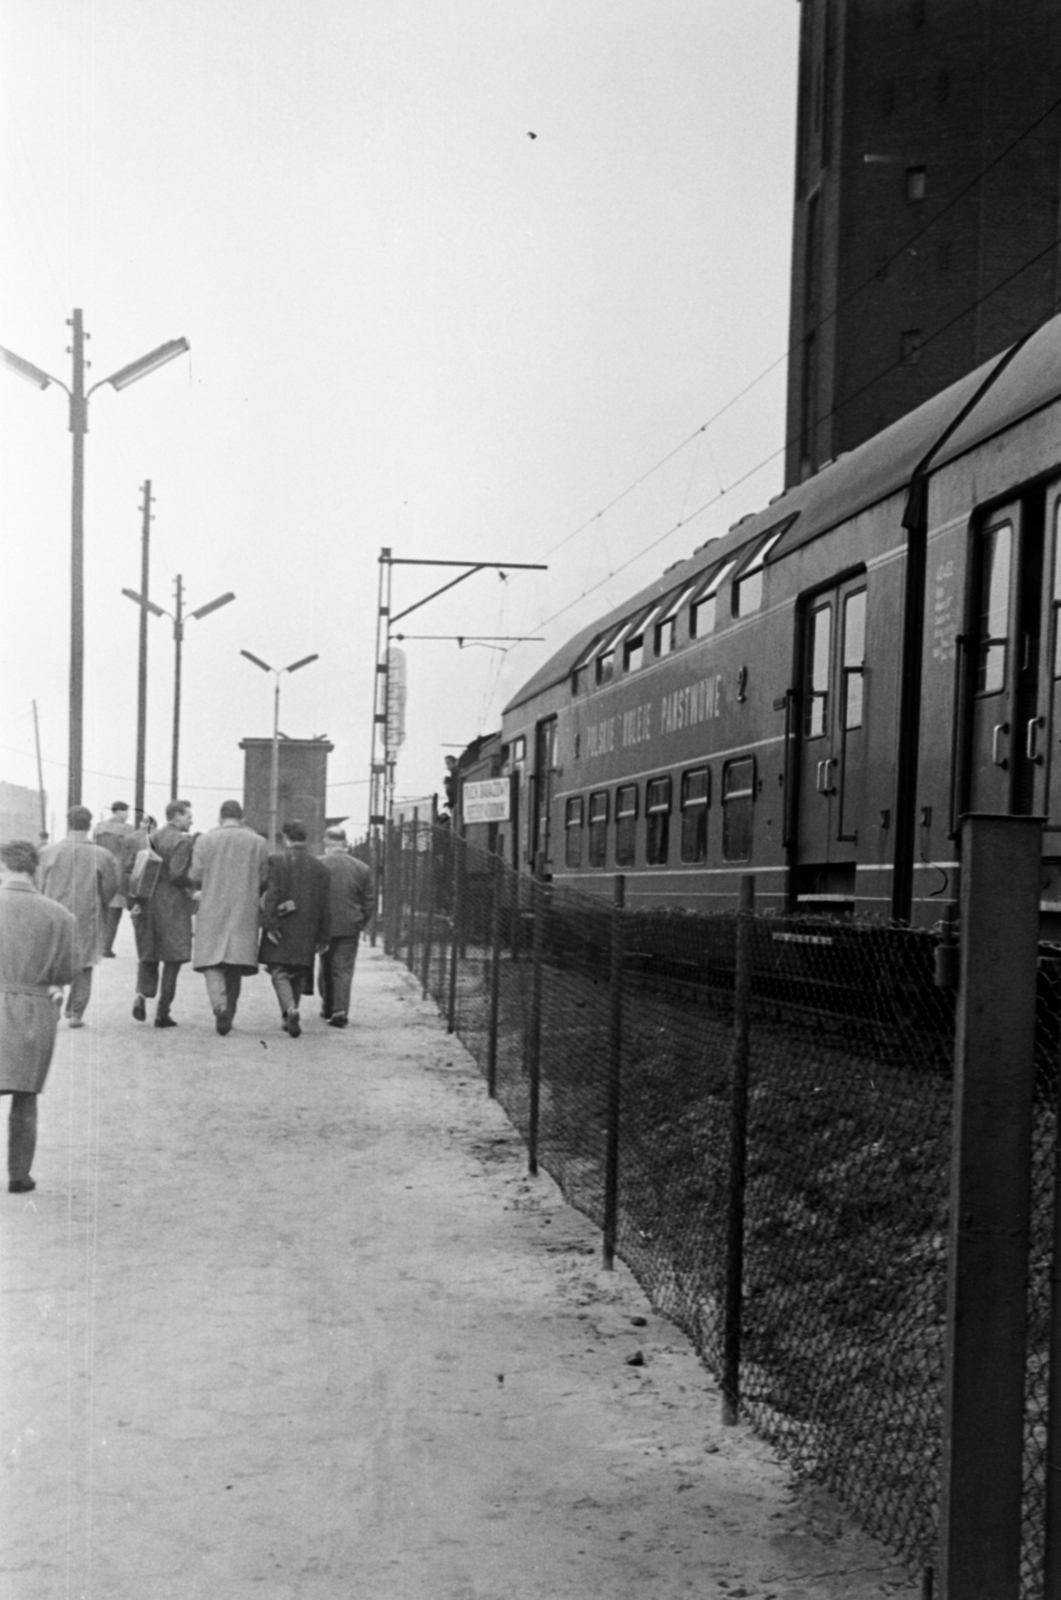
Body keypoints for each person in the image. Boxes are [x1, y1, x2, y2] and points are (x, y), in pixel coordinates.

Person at [0, 840, 77, 1192]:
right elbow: (66, 971)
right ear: (33, 869)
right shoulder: (59, 915)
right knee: (25, 1096)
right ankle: (19, 1175)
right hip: (34, 1010)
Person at [189, 799, 269, 1035]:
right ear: (242, 818)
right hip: (243, 909)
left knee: (211, 962)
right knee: (235, 963)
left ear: (219, 817)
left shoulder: (205, 840)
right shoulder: (258, 842)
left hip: (212, 908)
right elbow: (264, 877)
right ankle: (230, 1013)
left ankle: (219, 1006)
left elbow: (196, 874)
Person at [38, 806, 120, 1027]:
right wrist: (100, 903)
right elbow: (111, 888)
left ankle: (55, 991)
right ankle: (75, 1013)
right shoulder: (102, 855)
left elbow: (38, 884)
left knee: (53, 957)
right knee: (84, 962)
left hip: (52, 913)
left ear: (68, 822)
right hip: (87, 914)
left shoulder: (47, 852)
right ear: (89, 824)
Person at [259, 820, 330, 1037]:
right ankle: (291, 1012)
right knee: (299, 970)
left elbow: (272, 895)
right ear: (305, 838)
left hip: (282, 924)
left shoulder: (276, 861)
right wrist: (323, 935)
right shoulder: (320, 867)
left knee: (279, 971)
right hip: (308, 928)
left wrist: (270, 924)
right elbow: (325, 904)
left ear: (286, 838)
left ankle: (289, 1010)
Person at [129, 799, 196, 1028]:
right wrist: (194, 883)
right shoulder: (182, 841)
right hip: (172, 905)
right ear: (177, 816)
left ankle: (140, 995)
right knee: (173, 959)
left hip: (148, 901)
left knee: (149, 954)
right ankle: (162, 1013)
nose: (191, 820)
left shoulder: (152, 837)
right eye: (188, 816)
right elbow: (177, 874)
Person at [317, 828, 373, 1028]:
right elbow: (368, 902)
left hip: (324, 926)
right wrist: (360, 922)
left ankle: (327, 1006)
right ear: (345, 842)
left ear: (327, 842)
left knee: (326, 966)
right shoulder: (362, 868)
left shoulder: (319, 864)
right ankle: (340, 1010)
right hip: (350, 926)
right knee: (343, 969)